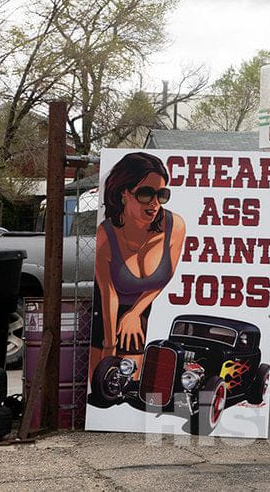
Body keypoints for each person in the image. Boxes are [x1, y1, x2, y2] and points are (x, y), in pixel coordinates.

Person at [88, 152, 186, 380]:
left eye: (161, 194)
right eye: (145, 194)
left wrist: (134, 313)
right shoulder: (107, 234)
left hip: (139, 311)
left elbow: (163, 278)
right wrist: (110, 346)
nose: (154, 203)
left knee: (128, 382)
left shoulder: (175, 226)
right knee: (101, 381)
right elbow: (108, 291)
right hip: (107, 310)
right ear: (124, 193)